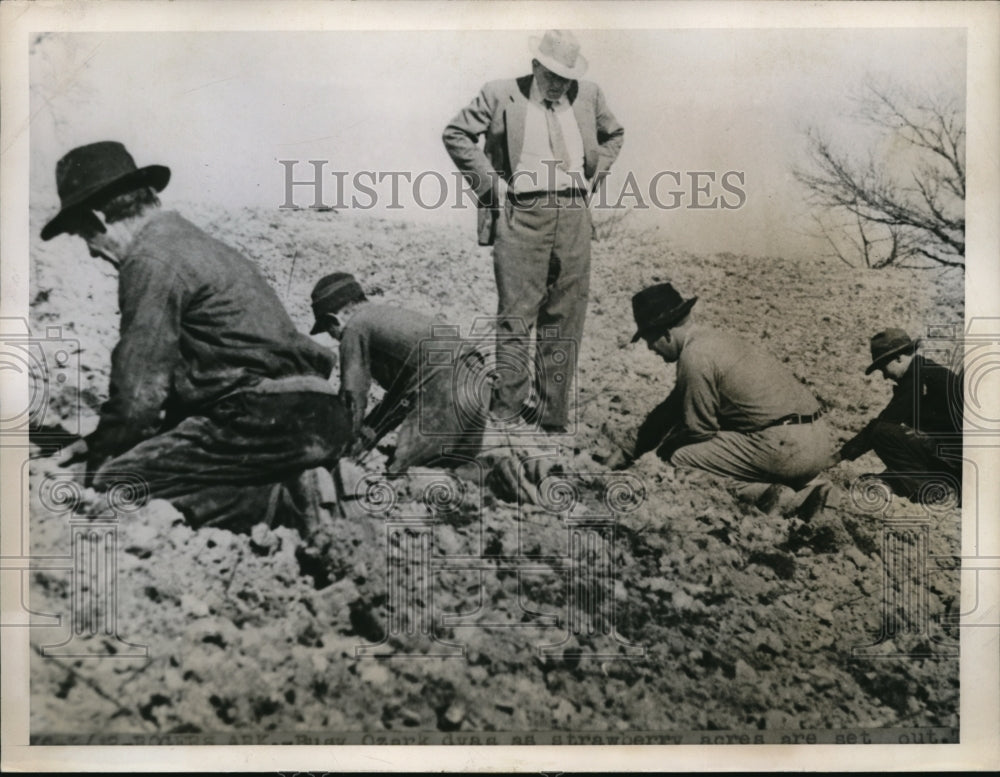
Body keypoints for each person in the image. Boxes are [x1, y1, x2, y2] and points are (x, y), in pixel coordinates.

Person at [43, 141, 352, 531]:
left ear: (98, 220)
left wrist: (97, 466)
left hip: (263, 421)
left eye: (83, 236)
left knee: (117, 485)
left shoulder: (149, 259)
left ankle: (283, 501)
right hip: (318, 416)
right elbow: (200, 388)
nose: (91, 253)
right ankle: (305, 480)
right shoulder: (198, 244)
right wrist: (100, 438)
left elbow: (140, 396)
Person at [442, 29, 624, 434]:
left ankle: (551, 414)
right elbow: (455, 134)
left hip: (574, 214)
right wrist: (493, 186)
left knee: (566, 316)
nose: (560, 84)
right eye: (554, 74)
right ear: (536, 66)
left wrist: (594, 178)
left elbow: (615, 135)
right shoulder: (499, 93)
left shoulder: (589, 95)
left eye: (567, 76)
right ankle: (506, 406)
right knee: (515, 315)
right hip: (522, 214)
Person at [618, 283, 839, 514]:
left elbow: (699, 430)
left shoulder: (694, 357)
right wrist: (628, 449)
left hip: (785, 449)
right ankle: (808, 487)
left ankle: (776, 497)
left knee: (677, 458)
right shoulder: (717, 340)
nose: (651, 349)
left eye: (649, 341)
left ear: (666, 334)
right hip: (818, 443)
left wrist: (656, 453)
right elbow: (669, 410)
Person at [309, 272, 488, 473]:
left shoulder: (355, 327)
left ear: (333, 318)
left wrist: (340, 448)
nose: (334, 338)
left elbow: (353, 394)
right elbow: (400, 399)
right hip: (476, 378)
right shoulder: (385, 318)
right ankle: (512, 472)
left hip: (445, 386)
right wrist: (367, 434)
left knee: (406, 474)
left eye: (328, 330)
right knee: (457, 468)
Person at [838, 328, 963, 502]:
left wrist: (839, 456)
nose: (885, 376)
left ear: (898, 358)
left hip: (960, 460)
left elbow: (883, 424)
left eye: (884, 368)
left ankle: (933, 492)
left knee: (882, 433)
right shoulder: (924, 371)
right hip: (960, 458)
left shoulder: (916, 376)